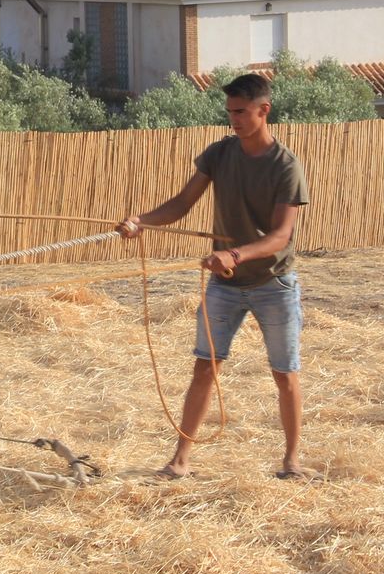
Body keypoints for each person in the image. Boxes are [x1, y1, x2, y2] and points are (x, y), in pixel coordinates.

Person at [117, 73, 311, 480]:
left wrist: (235, 253)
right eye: (229, 112)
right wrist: (142, 222)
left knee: (284, 373)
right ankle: (180, 461)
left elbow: (280, 237)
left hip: (273, 284)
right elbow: (182, 204)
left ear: (264, 110)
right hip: (226, 285)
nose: (233, 120)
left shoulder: (285, 167)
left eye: (241, 112)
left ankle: (292, 461)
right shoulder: (220, 154)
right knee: (205, 367)